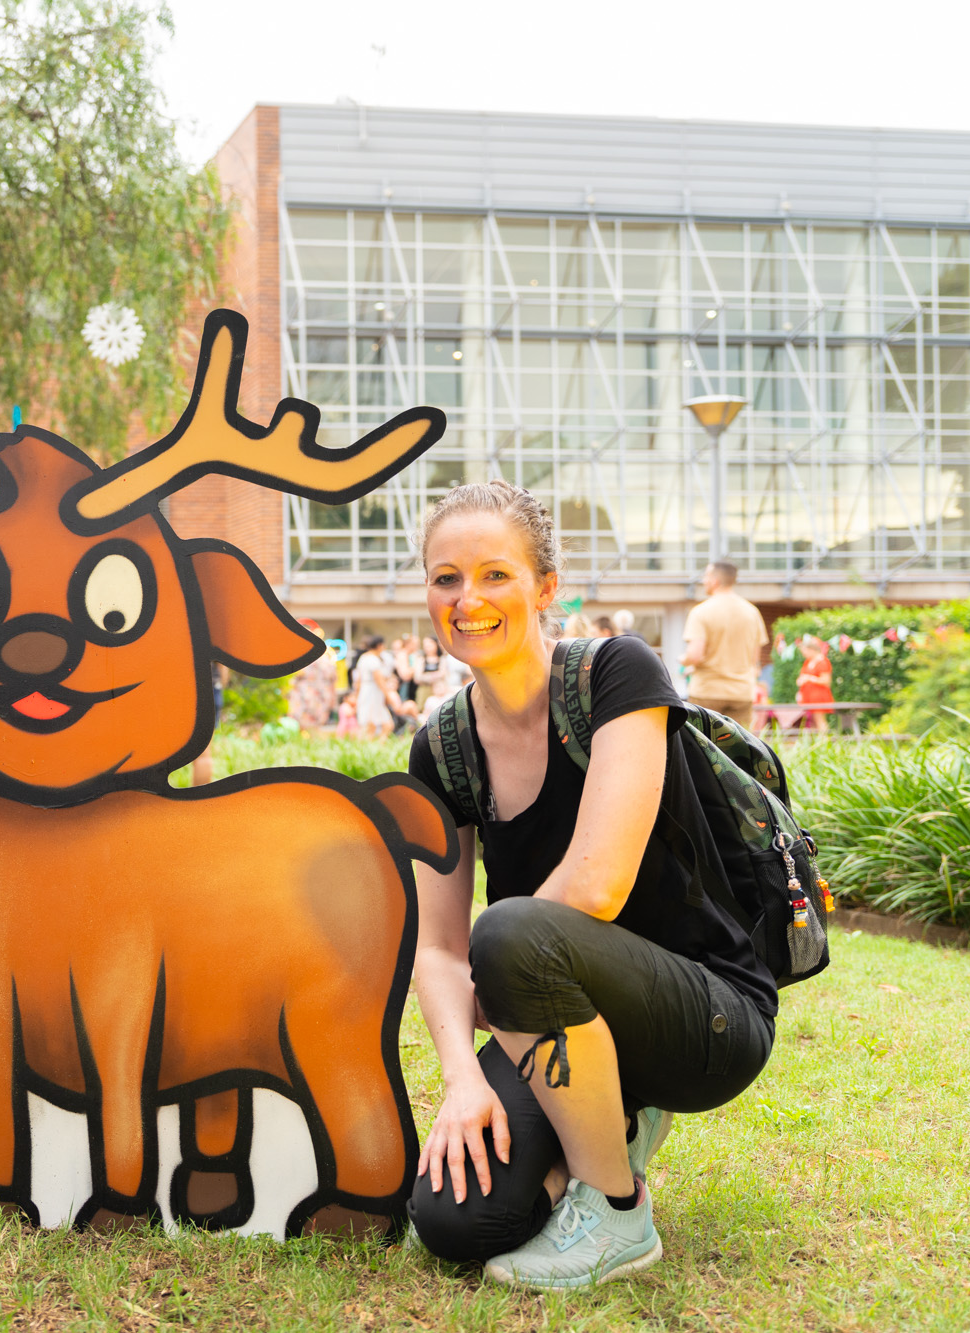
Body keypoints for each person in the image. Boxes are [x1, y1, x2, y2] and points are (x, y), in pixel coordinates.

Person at [404, 479, 775, 1288]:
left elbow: (597, 884)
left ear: (545, 588)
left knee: (507, 930)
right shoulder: (441, 750)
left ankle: (614, 1209)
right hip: (553, 1013)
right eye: (445, 578)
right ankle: (602, 1125)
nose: (468, 599)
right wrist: (462, 1079)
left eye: (495, 574)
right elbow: (435, 945)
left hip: (703, 1010)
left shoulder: (617, 673)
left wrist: (497, 977)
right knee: (453, 1215)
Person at [682, 562, 768, 731]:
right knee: (739, 748)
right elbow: (755, 660)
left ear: (715, 581)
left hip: (707, 691)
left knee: (703, 747)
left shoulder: (701, 611)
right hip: (741, 693)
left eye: (706, 576)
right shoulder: (752, 612)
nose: (703, 580)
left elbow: (694, 656)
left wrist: (683, 660)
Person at [286, 624, 338, 733]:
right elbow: (332, 678)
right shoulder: (324, 657)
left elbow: (293, 678)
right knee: (312, 725)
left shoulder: (299, 655)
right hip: (316, 695)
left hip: (307, 695)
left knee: (302, 724)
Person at [349, 635, 397, 740]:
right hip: (372, 693)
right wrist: (389, 697)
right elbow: (379, 681)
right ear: (379, 646)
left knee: (372, 725)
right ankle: (376, 746)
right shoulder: (373, 659)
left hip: (366, 692)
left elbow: (358, 681)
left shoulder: (364, 658)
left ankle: (373, 747)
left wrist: (356, 696)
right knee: (382, 725)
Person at [795, 636, 834, 733]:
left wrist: (809, 678)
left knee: (819, 719)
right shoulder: (808, 661)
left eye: (804, 650)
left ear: (811, 649)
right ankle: (815, 742)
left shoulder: (822, 661)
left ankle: (824, 741)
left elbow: (826, 681)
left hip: (818, 696)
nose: (803, 653)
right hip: (808, 696)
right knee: (811, 721)